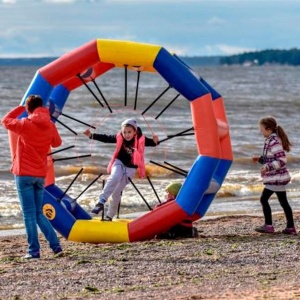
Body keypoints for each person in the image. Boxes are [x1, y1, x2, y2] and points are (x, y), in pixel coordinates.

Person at [1, 95, 64, 259]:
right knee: (38, 213)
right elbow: (57, 143)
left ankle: (33, 251)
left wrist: (19, 108)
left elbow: (5, 121)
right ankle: (56, 246)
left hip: (24, 174)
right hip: (40, 175)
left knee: (29, 214)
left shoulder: (25, 124)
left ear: (29, 109)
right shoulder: (49, 124)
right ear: (42, 107)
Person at [84, 118, 159, 220]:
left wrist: (155, 141)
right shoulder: (120, 137)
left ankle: (109, 216)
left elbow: (153, 143)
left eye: (129, 132)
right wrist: (91, 135)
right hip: (119, 162)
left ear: (135, 131)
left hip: (131, 168)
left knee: (116, 192)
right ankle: (101, 201)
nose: (126, 134)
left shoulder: (141, 139)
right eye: (124, 132)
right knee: (114, 177)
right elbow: (106, 138)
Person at [252, 116, 296, 235]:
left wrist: (267, 167)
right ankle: (290, 228)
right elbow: (271, 158)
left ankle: (269, 226)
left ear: (269, 128)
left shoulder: (274, 141)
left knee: (264, 199)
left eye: (261, 129)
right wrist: (261, 159)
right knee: (283, 202)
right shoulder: (271, 140)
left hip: (276, 178)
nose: (260, 131)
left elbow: (281, 160)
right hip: (276, 177)